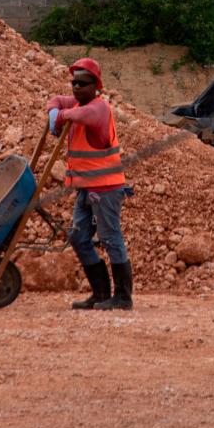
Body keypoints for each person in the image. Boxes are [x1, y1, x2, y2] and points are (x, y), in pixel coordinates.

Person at [47, 57, 131, 311]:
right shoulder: (81, 101)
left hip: (106, 189)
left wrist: (58, 117)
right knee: (78, 236)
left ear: (96, 86)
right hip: (87, 188)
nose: (76, 88)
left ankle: (123, 298)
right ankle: (101, 293)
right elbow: (58, 101)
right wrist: (53, 112)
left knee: (110, 237)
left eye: (82, 83)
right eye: (74, 82)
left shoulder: (99, 108)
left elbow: (75, 113)